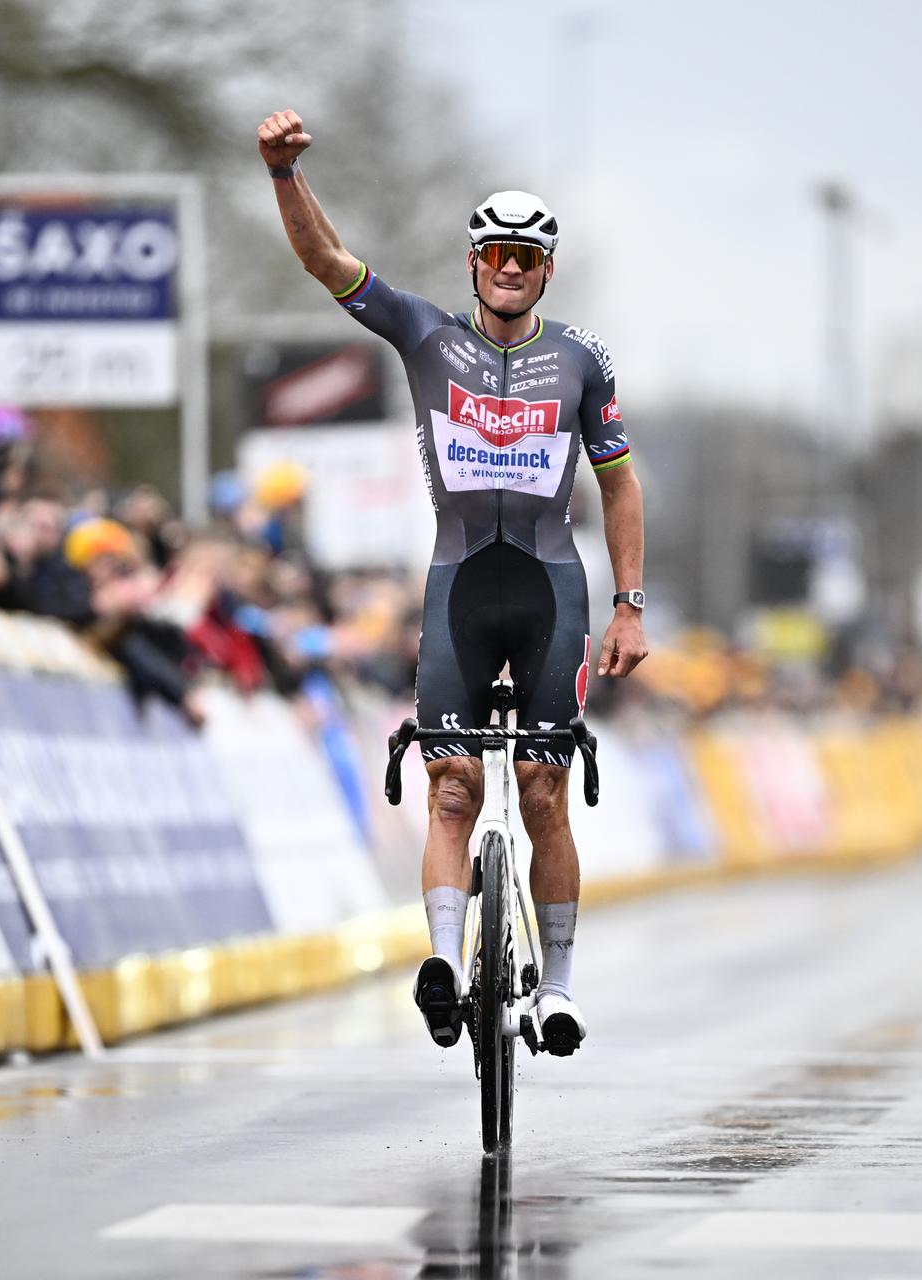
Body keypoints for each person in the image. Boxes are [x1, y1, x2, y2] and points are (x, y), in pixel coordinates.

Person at [259, 108, 649, 1056]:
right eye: (497, 255)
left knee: (545, 793)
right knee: (449, 789)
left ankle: (556, 988)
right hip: (456, 589)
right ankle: (443, 962)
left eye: (527, 257)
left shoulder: (582, 360)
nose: (510, 269)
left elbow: (619, 484)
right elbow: (326, 260)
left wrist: (630, 605)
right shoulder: (425, 336)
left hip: (552, 590)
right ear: (473, 263)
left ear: (546, 271)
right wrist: (282, 174)